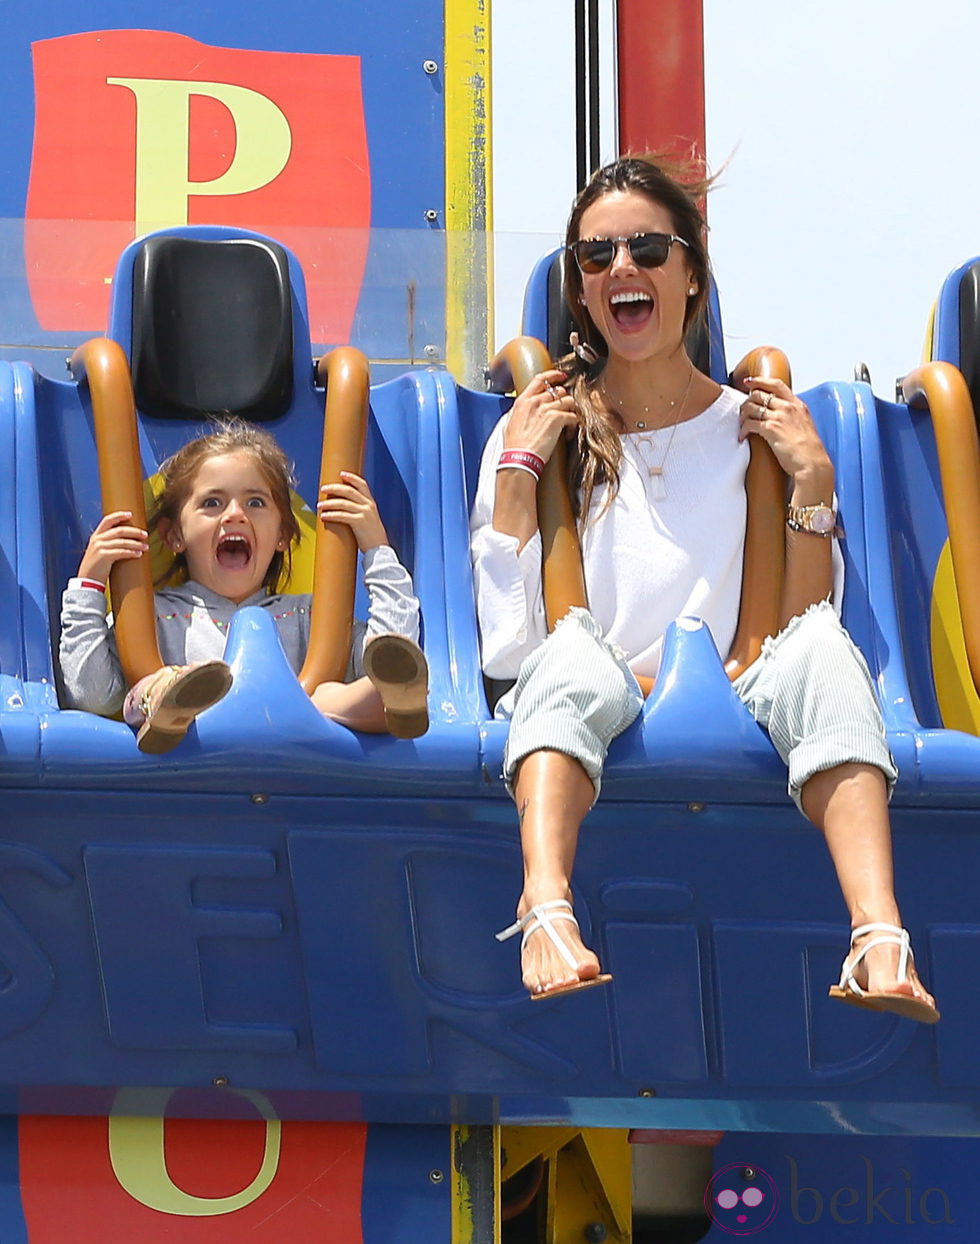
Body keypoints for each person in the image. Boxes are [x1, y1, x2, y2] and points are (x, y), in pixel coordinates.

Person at [470, 154, 939, 1023]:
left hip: (739, 687)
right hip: (593, 688)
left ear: (691, 276)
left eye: (648, 249)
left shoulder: (753, 426)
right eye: (595, 257)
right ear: (579, 291)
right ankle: (544, 910)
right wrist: (515, 477)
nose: (622, 271)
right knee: (571, 661)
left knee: (830, 664)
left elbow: (806, 623)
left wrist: (811, 484)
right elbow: (508, 650)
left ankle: (880, 935)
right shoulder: (543, 429)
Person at [60, 419, 428, 752]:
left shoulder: (311, 620)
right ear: (174, 536)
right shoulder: (150, 618)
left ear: (283, 534)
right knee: (154, 684)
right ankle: (169, 700)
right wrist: (89, 582)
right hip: (197, 741)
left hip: (293, 743)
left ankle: (399, 699)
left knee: (345, 691)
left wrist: (376, 548)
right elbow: (92, 695)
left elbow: (391, 648)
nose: (235, 514)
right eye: (212, 503)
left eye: (255, 502)